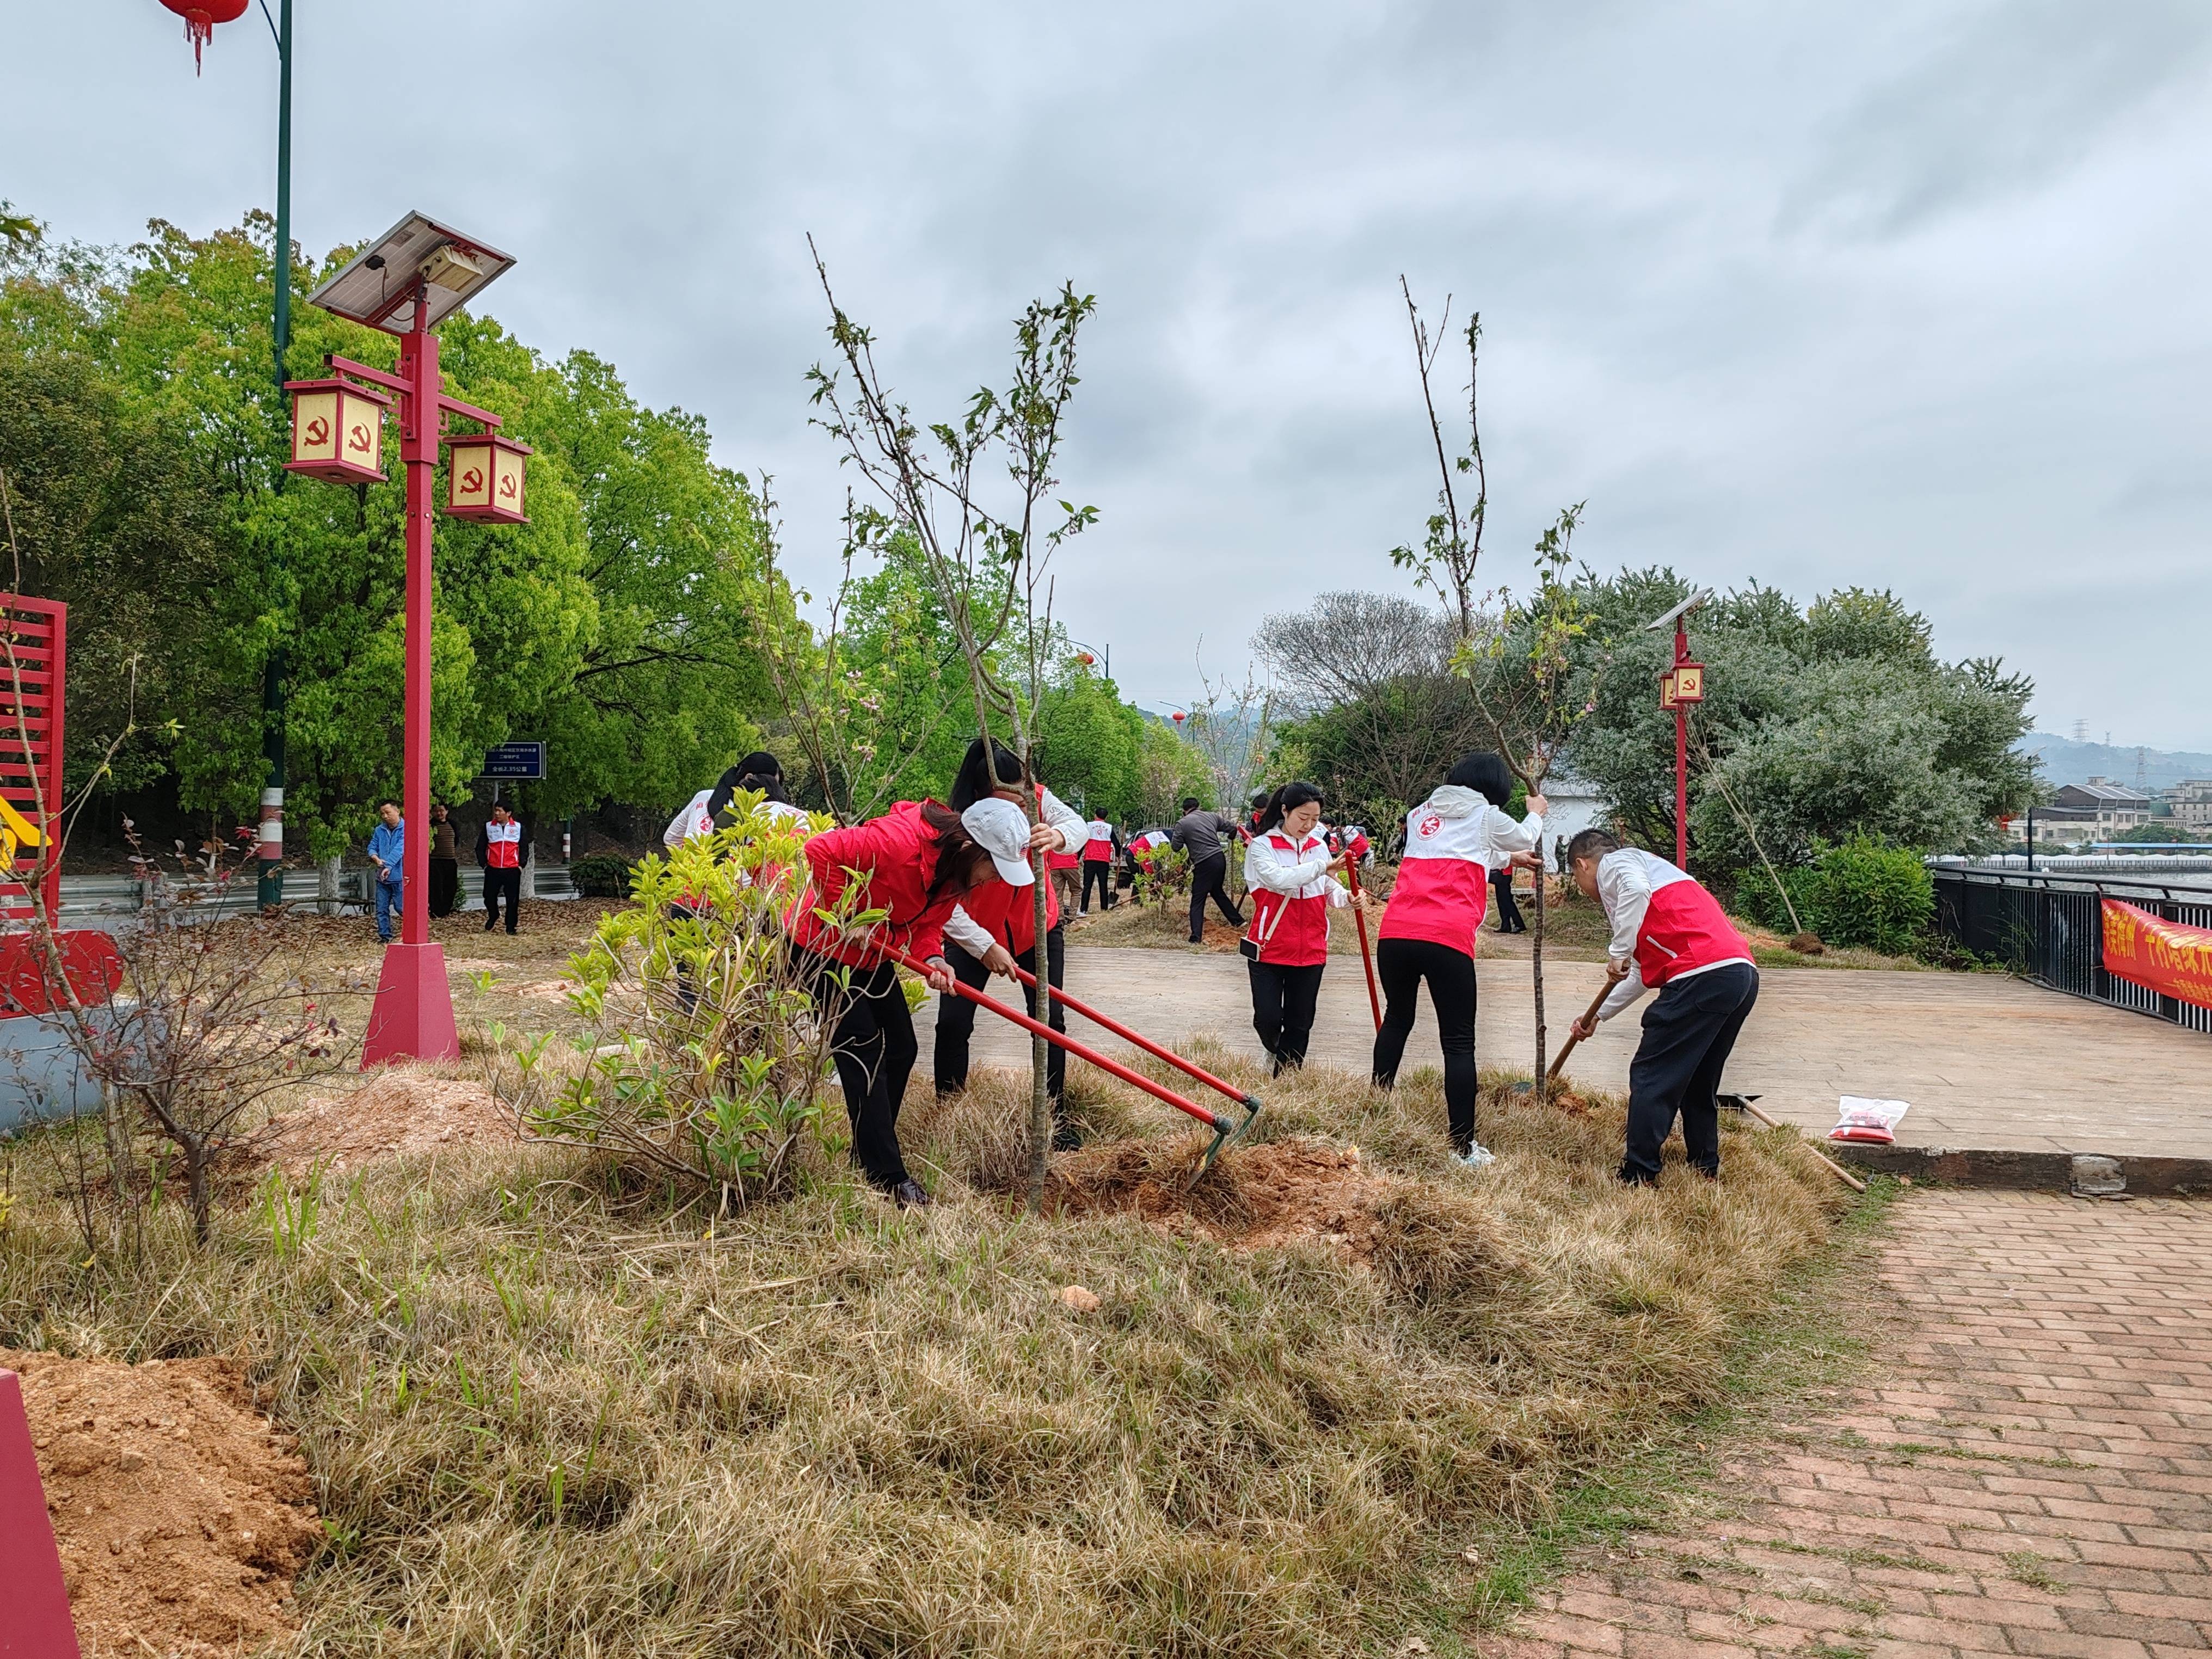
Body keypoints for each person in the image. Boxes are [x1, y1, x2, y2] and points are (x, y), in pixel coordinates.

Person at [787, 798, 998, 1208]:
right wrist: (846, 913)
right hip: (819, 946)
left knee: (902, 1047)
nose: (992, 879)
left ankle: (868, 1150)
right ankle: (887, 1174)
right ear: (972, 849)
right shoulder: (897, 842)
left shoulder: (954, 874)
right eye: (994, 868)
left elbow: (930, 925)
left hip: (869, 954)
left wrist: (934, 959)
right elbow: (819, 850)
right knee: (864, 1054)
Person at [1370, 753, 1547, 1168]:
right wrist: (1535, 813)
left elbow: (1456, 850)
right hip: (1446, 938)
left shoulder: (1420, 814)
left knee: (1397, 1019)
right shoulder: (1487, 815)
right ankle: (1463, 1147)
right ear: (1495, 789)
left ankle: (1375, 1107)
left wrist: (1506, 860)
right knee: (1459, 1042)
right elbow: (1521, 836)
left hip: (1395, 932)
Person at [1565, 827, 1759, 1186]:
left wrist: (1617, 951)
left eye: (1576, 878)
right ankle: (1705, 1168)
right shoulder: (1652, 875)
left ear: (1582, 865)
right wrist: (1597, 1016)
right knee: (1698, 1078)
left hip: (1701, 974)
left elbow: (1634, 897)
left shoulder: (1619, 864)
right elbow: (1640, 971)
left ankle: (1639, 1174)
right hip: (1738, 974)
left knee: (1652, 1075)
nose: (1581, 886)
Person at [932, 740, 1086, 1135]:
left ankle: (1055, 1116)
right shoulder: (955, 821)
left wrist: (1058, 836)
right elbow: (944, 903)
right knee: (952, 1023)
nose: (1019, 802)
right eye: (1007, 794)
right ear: (981, 791)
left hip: (1037, 929)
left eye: (1022, 792)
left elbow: (1075, 825)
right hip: (971, 932)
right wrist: (982, 946)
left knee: (1049, 1022)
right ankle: (948, 1114)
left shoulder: (1036, 798)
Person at [1241, 782, 1356, 1075]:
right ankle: (1272, 1049)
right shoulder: (1262, 846)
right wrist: (1323, 867)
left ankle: (1288, 1079)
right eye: (1302, 817)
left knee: (1301, 1021)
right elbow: (1279, 879)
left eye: (1315, 820)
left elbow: (1330, 890)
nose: (1308, 825)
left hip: (1311, 949)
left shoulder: (1319, 848)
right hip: (1269, 947)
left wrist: (1349, 898)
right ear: (1285, 811)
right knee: (1267, 1018)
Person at [1170, 796, 1245, 943]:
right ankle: (1238, 922)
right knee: (1217, 891)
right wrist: (1231, 837)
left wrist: (1187, 838)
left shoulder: (1182, 823)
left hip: (1204, 863)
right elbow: (1232, 828)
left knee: (1198, 899)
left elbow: (1175, 847)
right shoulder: (1211, 816)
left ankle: (1196, 937)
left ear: (1184, 811)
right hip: (1219, 858)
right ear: (1199, 806)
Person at [476, 801, 529, 935]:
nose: (497, 813)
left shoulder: (518, 827)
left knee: (512, 899)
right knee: (488, 896)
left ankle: (510, 927)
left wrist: (521, 865)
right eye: (496, 810)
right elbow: (480, 847)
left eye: (500, 811)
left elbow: (524, 848)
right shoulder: (488, 827)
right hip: (493, 869)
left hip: (512, 869)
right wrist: (484, 865)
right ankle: (493, 915)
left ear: (509, 813)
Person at [366, 800, 404, 944]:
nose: (385, 816)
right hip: (382, 877)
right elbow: (372, 846)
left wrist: (388, 865)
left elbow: (400, 850)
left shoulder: (406, 828)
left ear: (397, 811)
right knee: (381, 909)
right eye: (382, 813)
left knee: (401, 907)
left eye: (388, 813)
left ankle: (409, 933)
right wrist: (375, 857)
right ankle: (385, 937)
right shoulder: (379, 830)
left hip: (399, 876)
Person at [1079, 812, 1118, 914]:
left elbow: (1082, 842)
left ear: (1095, 815)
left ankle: (1084, 909)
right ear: (1106, 816)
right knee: (1103, 885)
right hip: (1103, 861)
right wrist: (1118, 855)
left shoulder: (1089, 826)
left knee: (1087, 886)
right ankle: (1104, 909)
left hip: (1090, 859)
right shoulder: (1109, 828)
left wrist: (1077, 857)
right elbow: (1117, 844)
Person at [427, 803, 459, 919]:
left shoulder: (453, 824)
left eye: (441, 811)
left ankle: (445, 911)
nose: (439, 813)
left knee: (451, 887)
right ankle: (436, 912)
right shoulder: (431, 826)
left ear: (447, 811)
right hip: (436, 861)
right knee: (436, 887)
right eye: (436, 811)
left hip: (450, 861)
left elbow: (456, 840)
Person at [1490, 861, 1528, 933]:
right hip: (1501, 874)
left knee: (1507, 902)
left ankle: (1519, 925)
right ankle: (1505, 926)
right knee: (1501, 901)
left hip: (1503, 874)